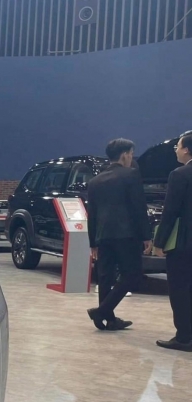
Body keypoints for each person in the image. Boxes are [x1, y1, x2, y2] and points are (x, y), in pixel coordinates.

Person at [86, 138, 153, 330]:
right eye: (131, 154)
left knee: (105, 277)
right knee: (132, 275)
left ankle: (108, 320)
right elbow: (138, 207)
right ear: (124, 155)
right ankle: (101, 311)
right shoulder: (131, 175)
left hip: (103, 235)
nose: (132, 158)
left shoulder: (95, 181)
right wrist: (146, 235)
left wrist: (93, 242)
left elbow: (92, 214)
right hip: (127, 234)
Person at [154, 131, 192, 351]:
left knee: (180, 289)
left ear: (186, 149)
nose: (176, 150)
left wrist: (159, 242)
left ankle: (184, 337)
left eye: (177, 146)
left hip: (184, 243)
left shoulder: (180, 174)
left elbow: (170, 212)